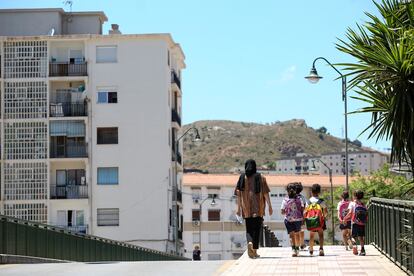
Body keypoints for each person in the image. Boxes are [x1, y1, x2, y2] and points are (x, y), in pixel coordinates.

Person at [235, 159, 273, 259]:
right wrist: (269, 206)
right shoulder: (261, 177)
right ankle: (254, 251)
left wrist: (238, 208)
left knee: (249, 230)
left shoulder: (242, 177)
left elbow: (238, 194)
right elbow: (265, 193)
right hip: (258, 208)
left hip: (246, 208)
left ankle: (250, 243)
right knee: (257, 230)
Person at [281, 183, 304, 257]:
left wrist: (287, 211)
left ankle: (293, 250)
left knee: (291, 235)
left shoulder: (285, 200)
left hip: (288, 220)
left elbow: (282, 211)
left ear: (287, 191)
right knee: (297, 234)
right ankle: (297, 249)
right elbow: (302, 208)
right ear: (296, 190)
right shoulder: (299, 199)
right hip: (298, 219)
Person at [304, 183, 328, 256]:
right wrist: (323, 217)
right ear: (319, 192)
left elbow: (305, 212)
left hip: (311, 220)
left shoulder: (308, 202)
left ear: (312, 191)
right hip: (320, 221)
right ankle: (321, 249)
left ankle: (311, 249)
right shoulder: (321, 201)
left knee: (311, 235)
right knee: (321, 235)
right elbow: (326, 212)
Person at [344, 190, 368, 256]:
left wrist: (345, 218)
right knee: (361, 237)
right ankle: (363, 250)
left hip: (354, 222)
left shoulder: (352, 203)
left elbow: (350, 213)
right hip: (362, 223)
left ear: (354, 196)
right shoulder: (363, 204)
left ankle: (354, 246)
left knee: (353, 236)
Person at [294, 182, 308, 250]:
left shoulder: (291, 196)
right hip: (301, 216)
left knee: (294, 231)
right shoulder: (302, 197)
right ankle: (302, 244)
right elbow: (305, 207)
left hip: (293, 216)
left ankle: (296, 244)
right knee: (301, 230)